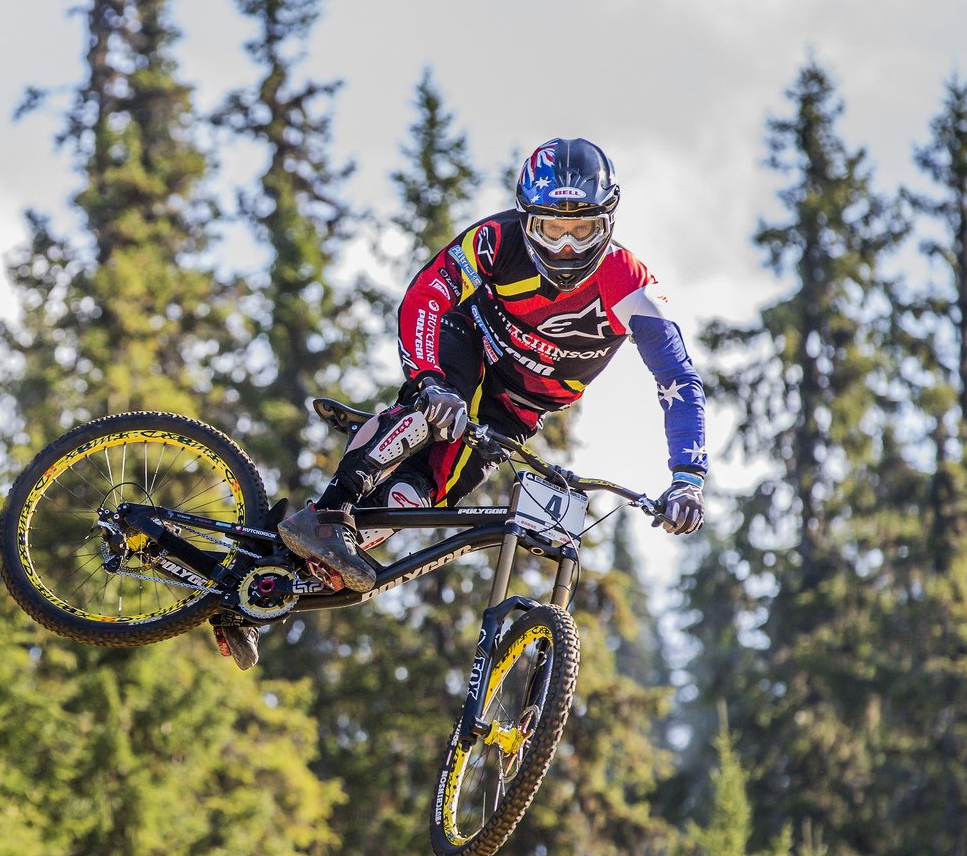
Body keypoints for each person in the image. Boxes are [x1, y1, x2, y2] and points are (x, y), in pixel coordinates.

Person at [213, 137, 706, 671]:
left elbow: (678, 379)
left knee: (427, 493)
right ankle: (330, 511)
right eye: (551, 229)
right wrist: (429, 383)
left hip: (516, 408)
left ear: (606, 223)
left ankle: (266, 579)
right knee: (438, 415)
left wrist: (688, 478)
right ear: (527, 219)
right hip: (465, 345)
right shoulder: (497, 240)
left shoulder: (630, 284)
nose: (566, 248)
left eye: (581, 229)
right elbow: (427, 295)